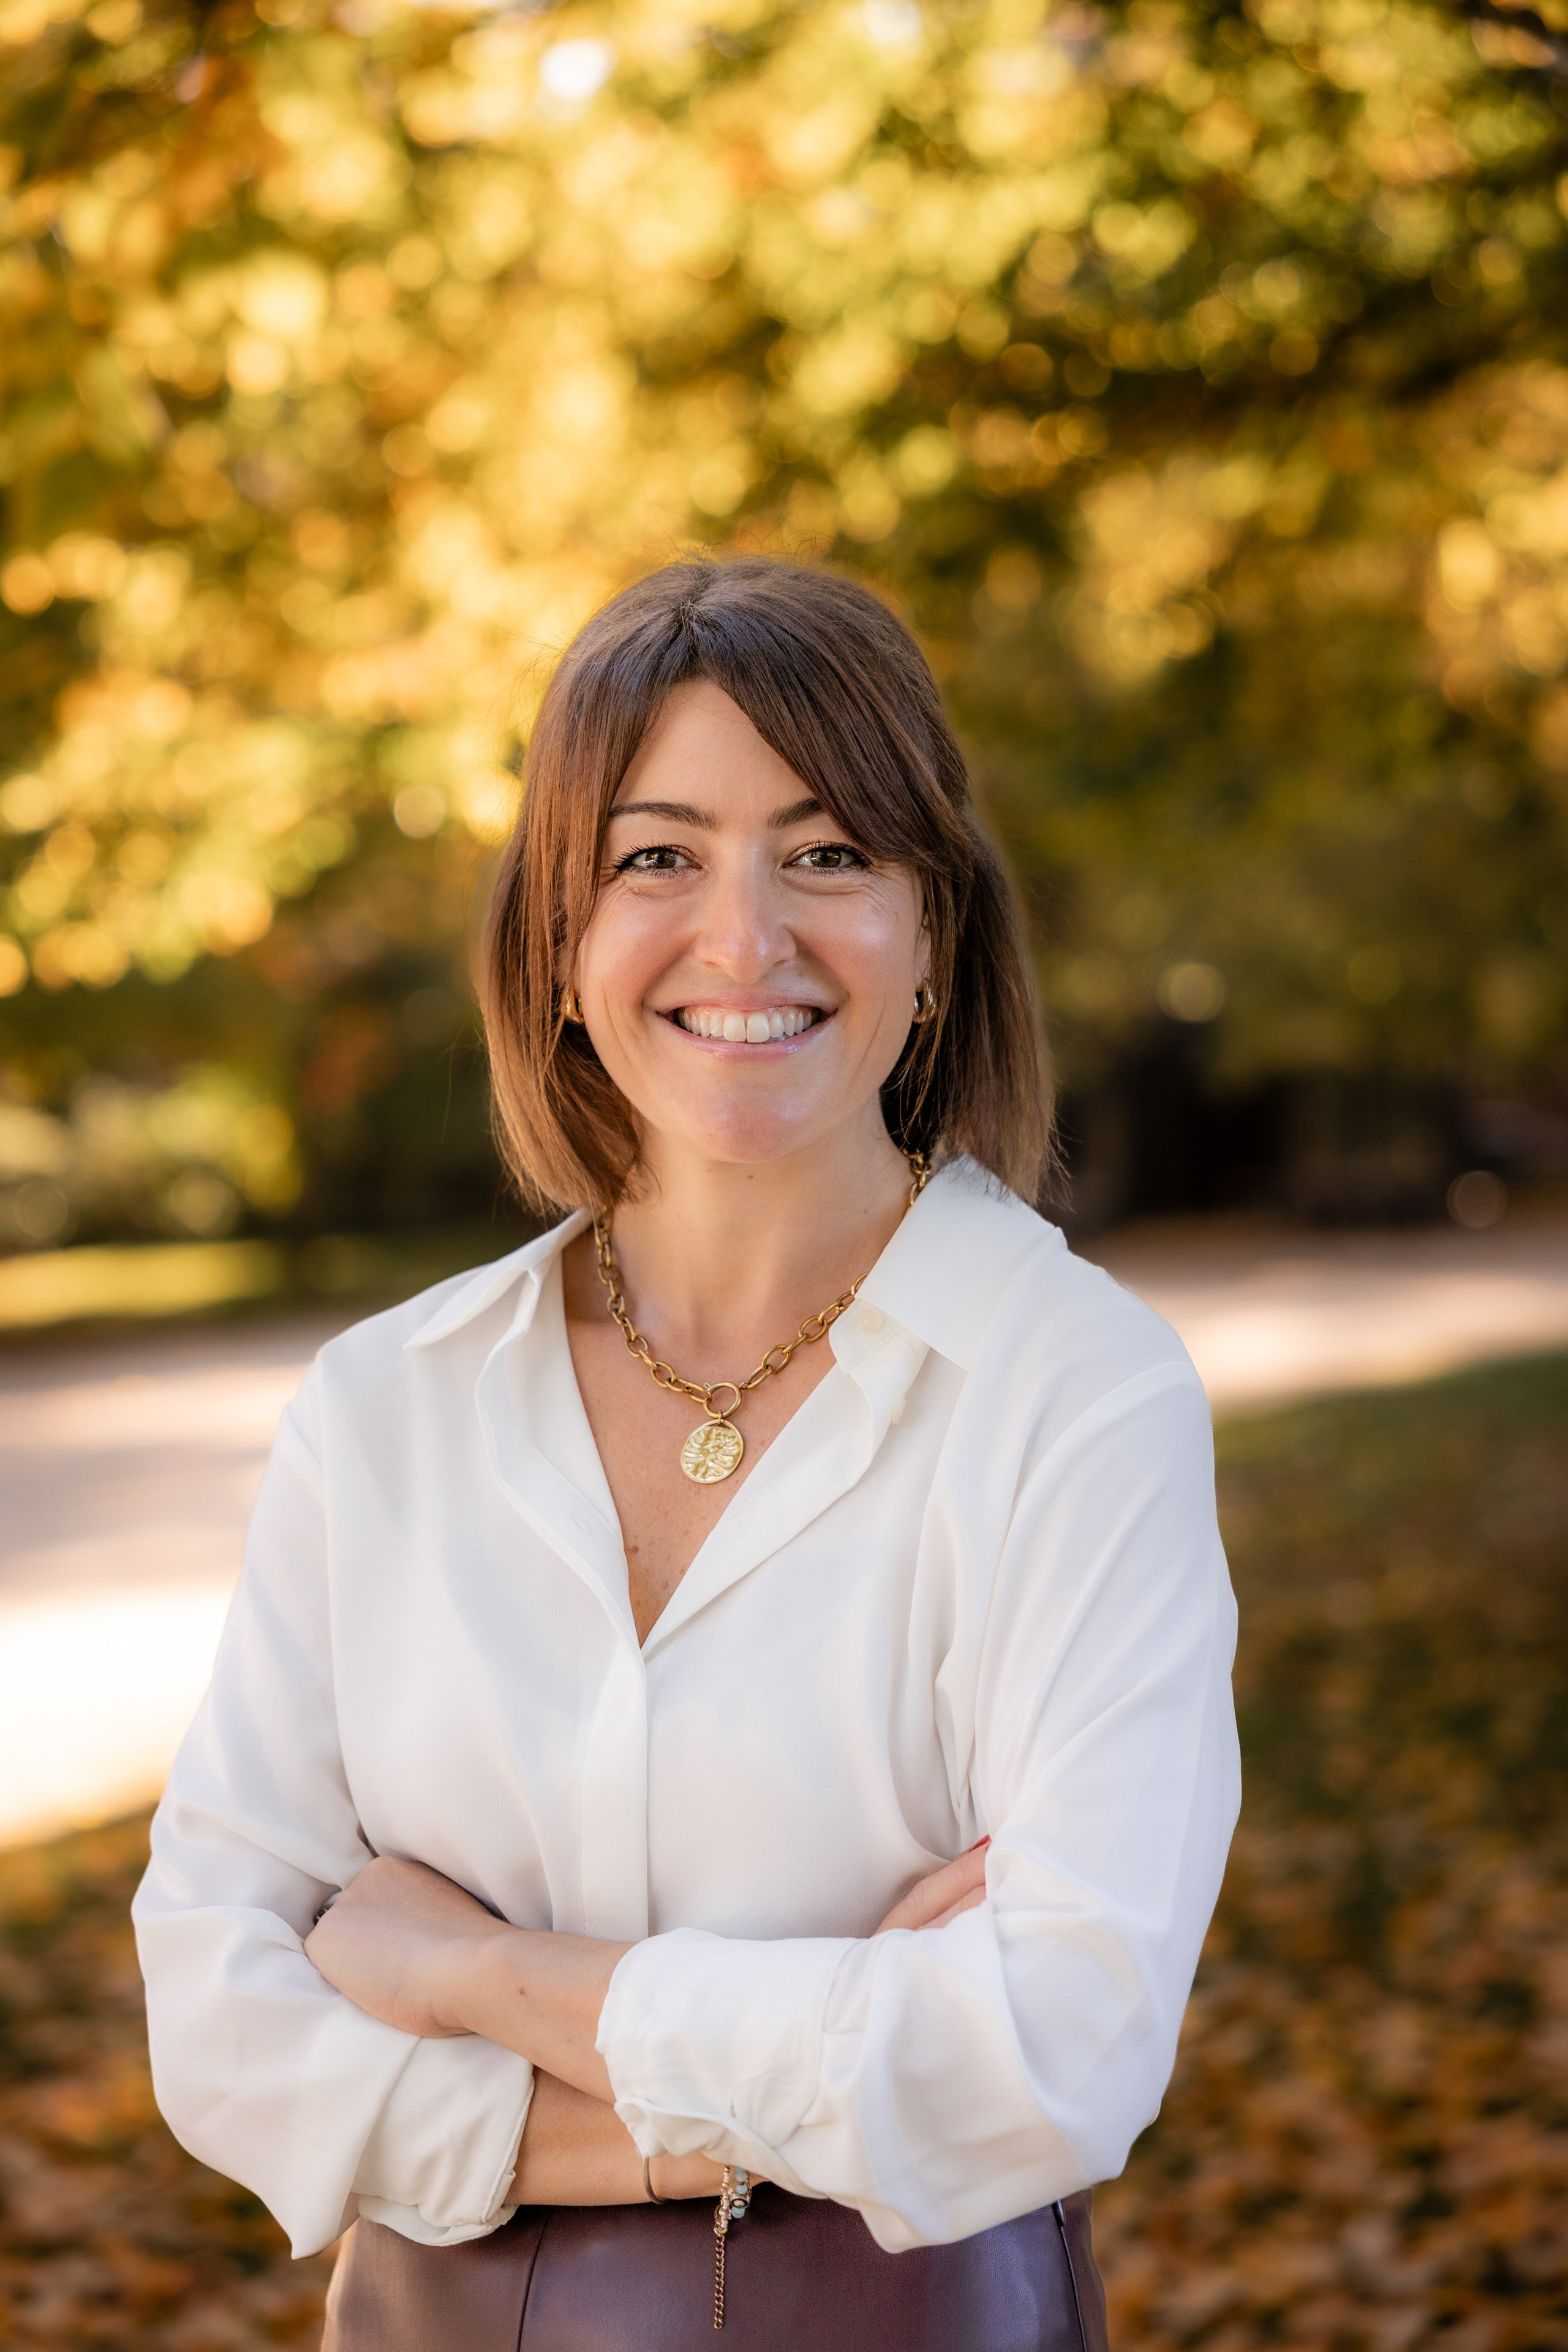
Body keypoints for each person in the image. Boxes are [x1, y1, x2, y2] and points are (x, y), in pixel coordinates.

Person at [134, 557, 1240, 2351]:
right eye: (658, 857)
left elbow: (1056, 2052)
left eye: (828, 855)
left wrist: (467, 1975)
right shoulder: (383, 1409)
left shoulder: (1076, 1393)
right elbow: (219, 2017)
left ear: (934, 932)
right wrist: (817, 2066)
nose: (746, 939)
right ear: (561, 943)